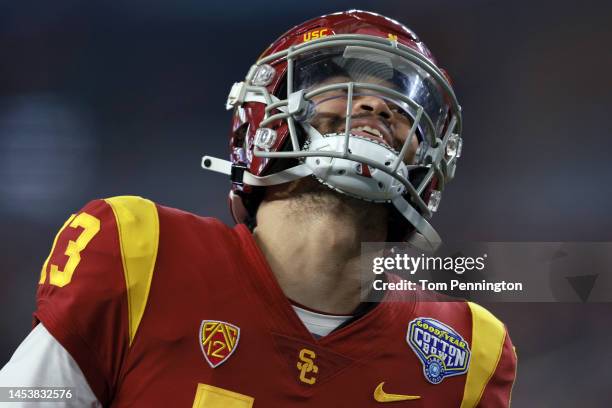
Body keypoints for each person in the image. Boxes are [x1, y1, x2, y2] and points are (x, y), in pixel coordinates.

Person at [0, 10, 516, 407]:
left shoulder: (468, 352)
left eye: (403, 105)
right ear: (264, 118)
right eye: (342, 87)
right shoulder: (140, 252)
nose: (378, 106)